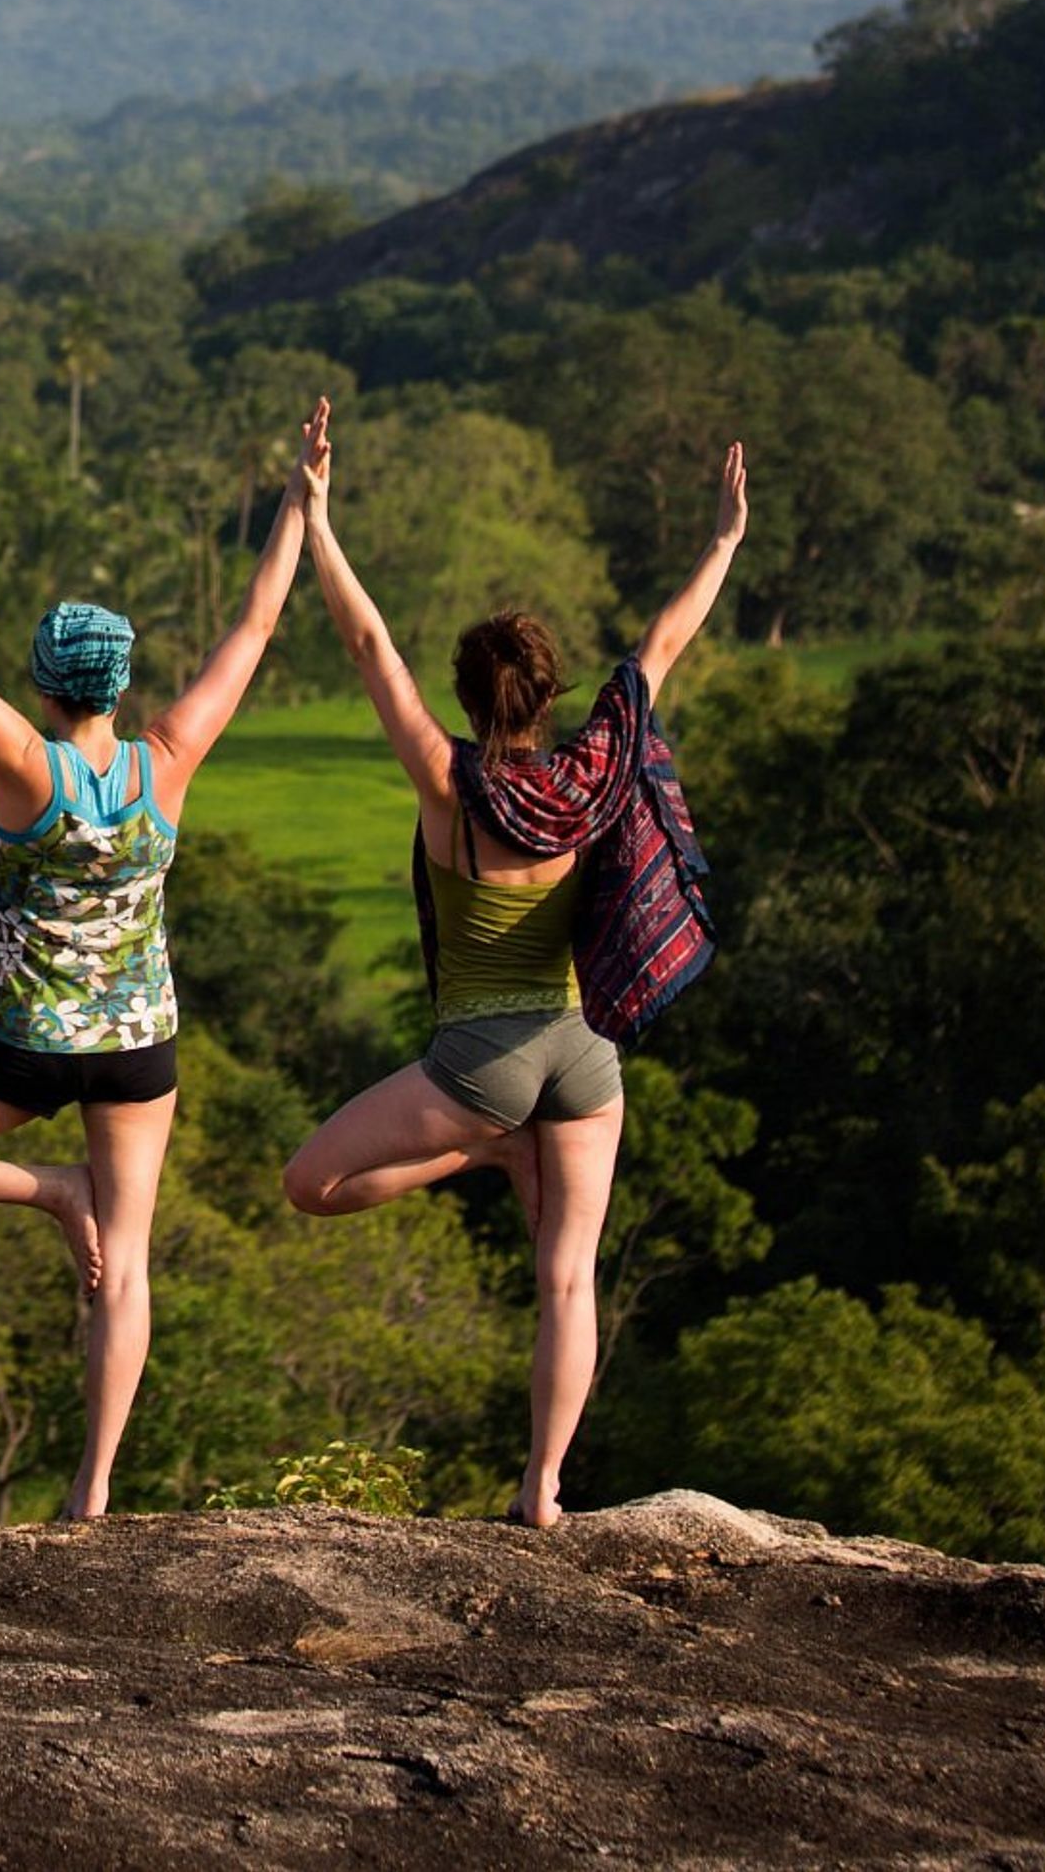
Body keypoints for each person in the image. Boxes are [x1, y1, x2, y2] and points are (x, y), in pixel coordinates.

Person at [0, 401, 320, 1520]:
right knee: (132, 1265)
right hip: (142, 1048)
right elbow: (253, 630)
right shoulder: (169, 761)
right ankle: (94, 1493)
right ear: (119, 685)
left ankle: (51, 1194)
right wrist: (301, 503)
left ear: (50, 686)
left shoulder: (24, 767)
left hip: (27, 1052)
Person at [279, 401, 748, 1527]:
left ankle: (480, 1155)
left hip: (479, 1066)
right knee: (568, 1277)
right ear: (545, 696)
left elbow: (365, 646)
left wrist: (318, 516)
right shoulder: (591, 773)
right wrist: (724, 541)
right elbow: (662, 648)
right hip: (585, 1054)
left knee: (311, 1185)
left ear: (470, 696)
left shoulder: (453, 787)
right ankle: (542, 1493)